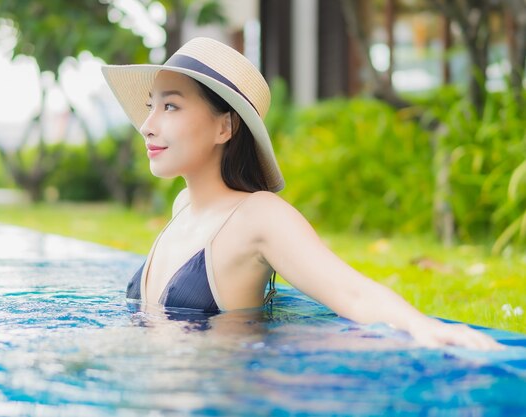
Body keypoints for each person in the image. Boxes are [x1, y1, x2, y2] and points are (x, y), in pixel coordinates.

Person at [101, 37, 502, 350]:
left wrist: (423, 326)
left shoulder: (257, 216)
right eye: (151, 105)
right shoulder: (183, 206)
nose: (147, 125)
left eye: (170, 107)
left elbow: (352, 292)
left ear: (225, 128)